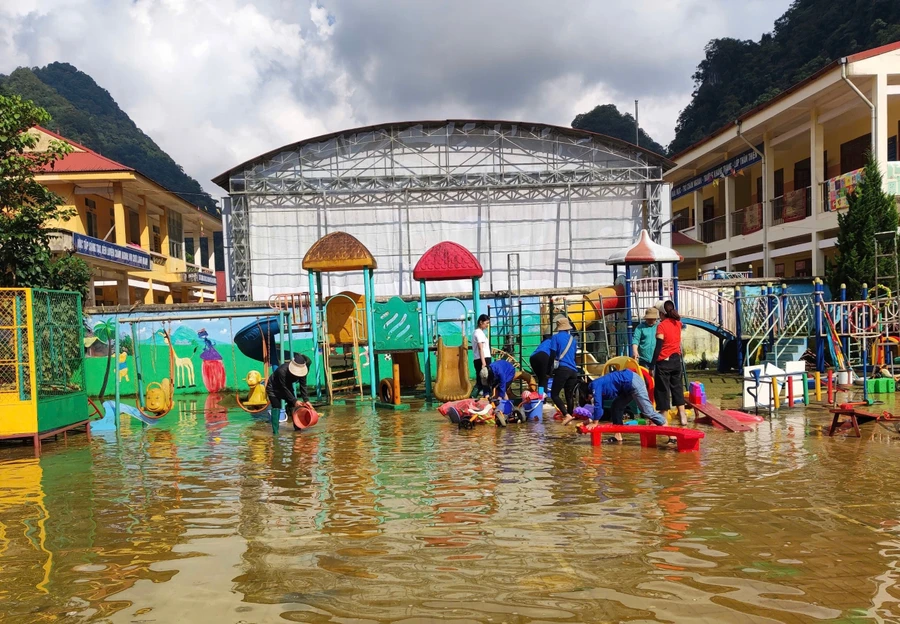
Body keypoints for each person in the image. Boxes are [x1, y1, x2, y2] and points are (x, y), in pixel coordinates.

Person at [579, 369, 669, 443]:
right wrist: (587, 422)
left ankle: (669, 431)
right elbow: (600, 409)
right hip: (627, 388)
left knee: (647, 412)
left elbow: (598, 406)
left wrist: (595, 423)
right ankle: (618, 436)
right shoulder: (596, 386)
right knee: (616, 407)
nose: (591, 399)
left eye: (588, 399)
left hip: (632, 381)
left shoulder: (595, 385)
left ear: (587, 394)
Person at [652, 300, 688, 429]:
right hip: (676, 360)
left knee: (662, 390)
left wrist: (652, 364)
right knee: (677, 387)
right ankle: (682, 415)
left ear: (662, 314)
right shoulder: (678, 324)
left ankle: (663, 416)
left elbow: (658, 347)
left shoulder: (661, 326)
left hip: (664, 362)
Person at [266, 353, 312, 432]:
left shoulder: (303, 372)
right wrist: (294, 400)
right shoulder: (282, 371)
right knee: (276, 406)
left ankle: (297, 429)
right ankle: (275, 432)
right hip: (273, 387)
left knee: (293, 406)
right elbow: (283, 387)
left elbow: (303, 386)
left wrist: (306, 400)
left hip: (287, 386)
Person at [549, 316, 579, 422]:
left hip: (563, 369)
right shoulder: (573, 340)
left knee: (554, 394)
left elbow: (552, 354)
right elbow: (574, 356)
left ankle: (566, 415)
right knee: (569, 395)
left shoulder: (555, 337)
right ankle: (570, 415)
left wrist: (549, 370)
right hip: (573, 371)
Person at [473, 314, 491, 398]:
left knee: (483, 381)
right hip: (482, 359)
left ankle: (486, 397)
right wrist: (483, 363)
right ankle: (472, 397)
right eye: (486, 323)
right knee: (483, 381)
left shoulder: (478, 332)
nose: (487, 325)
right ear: (481, 322)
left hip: (481, 358)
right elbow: (481, 348)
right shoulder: (478, 333)